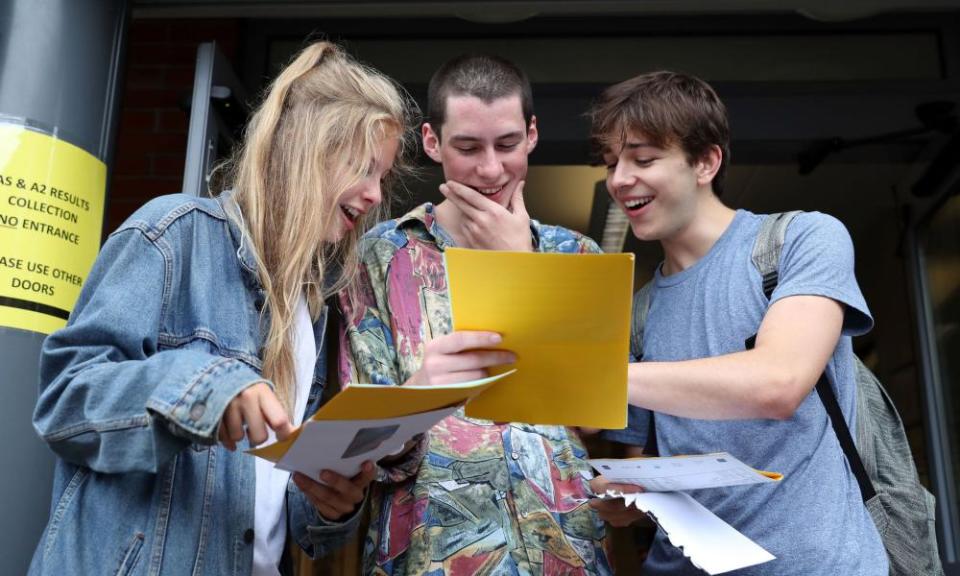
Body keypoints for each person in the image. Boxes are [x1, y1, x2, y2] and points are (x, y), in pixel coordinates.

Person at [27, 42, 496, 576]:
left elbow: (275, 504)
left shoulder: (310, 306)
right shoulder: (173, 233)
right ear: (306, 151)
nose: (372, 195)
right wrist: (209, 386)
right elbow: (65, 403)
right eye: (363, 168)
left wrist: (326, 503)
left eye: (382, 178)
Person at [586, 71, 888, 575]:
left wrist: (594, 373)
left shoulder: (802, 240)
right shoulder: (638, 312)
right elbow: (645, 465)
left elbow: (778, 382)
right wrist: (626, 498)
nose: (619, 179)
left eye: (643, 159)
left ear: (706, 161)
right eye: (612, 162)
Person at [339, 54, 613, 575]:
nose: (491, 169)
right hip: (430, 556)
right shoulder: (379, 256)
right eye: (468, 147)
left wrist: (523, 270)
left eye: (507, 144)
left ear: (532, 134)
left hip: (564, 551)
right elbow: (359, 446)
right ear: (432, 141)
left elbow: (595, 421)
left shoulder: (579, 255)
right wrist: (421, 392)